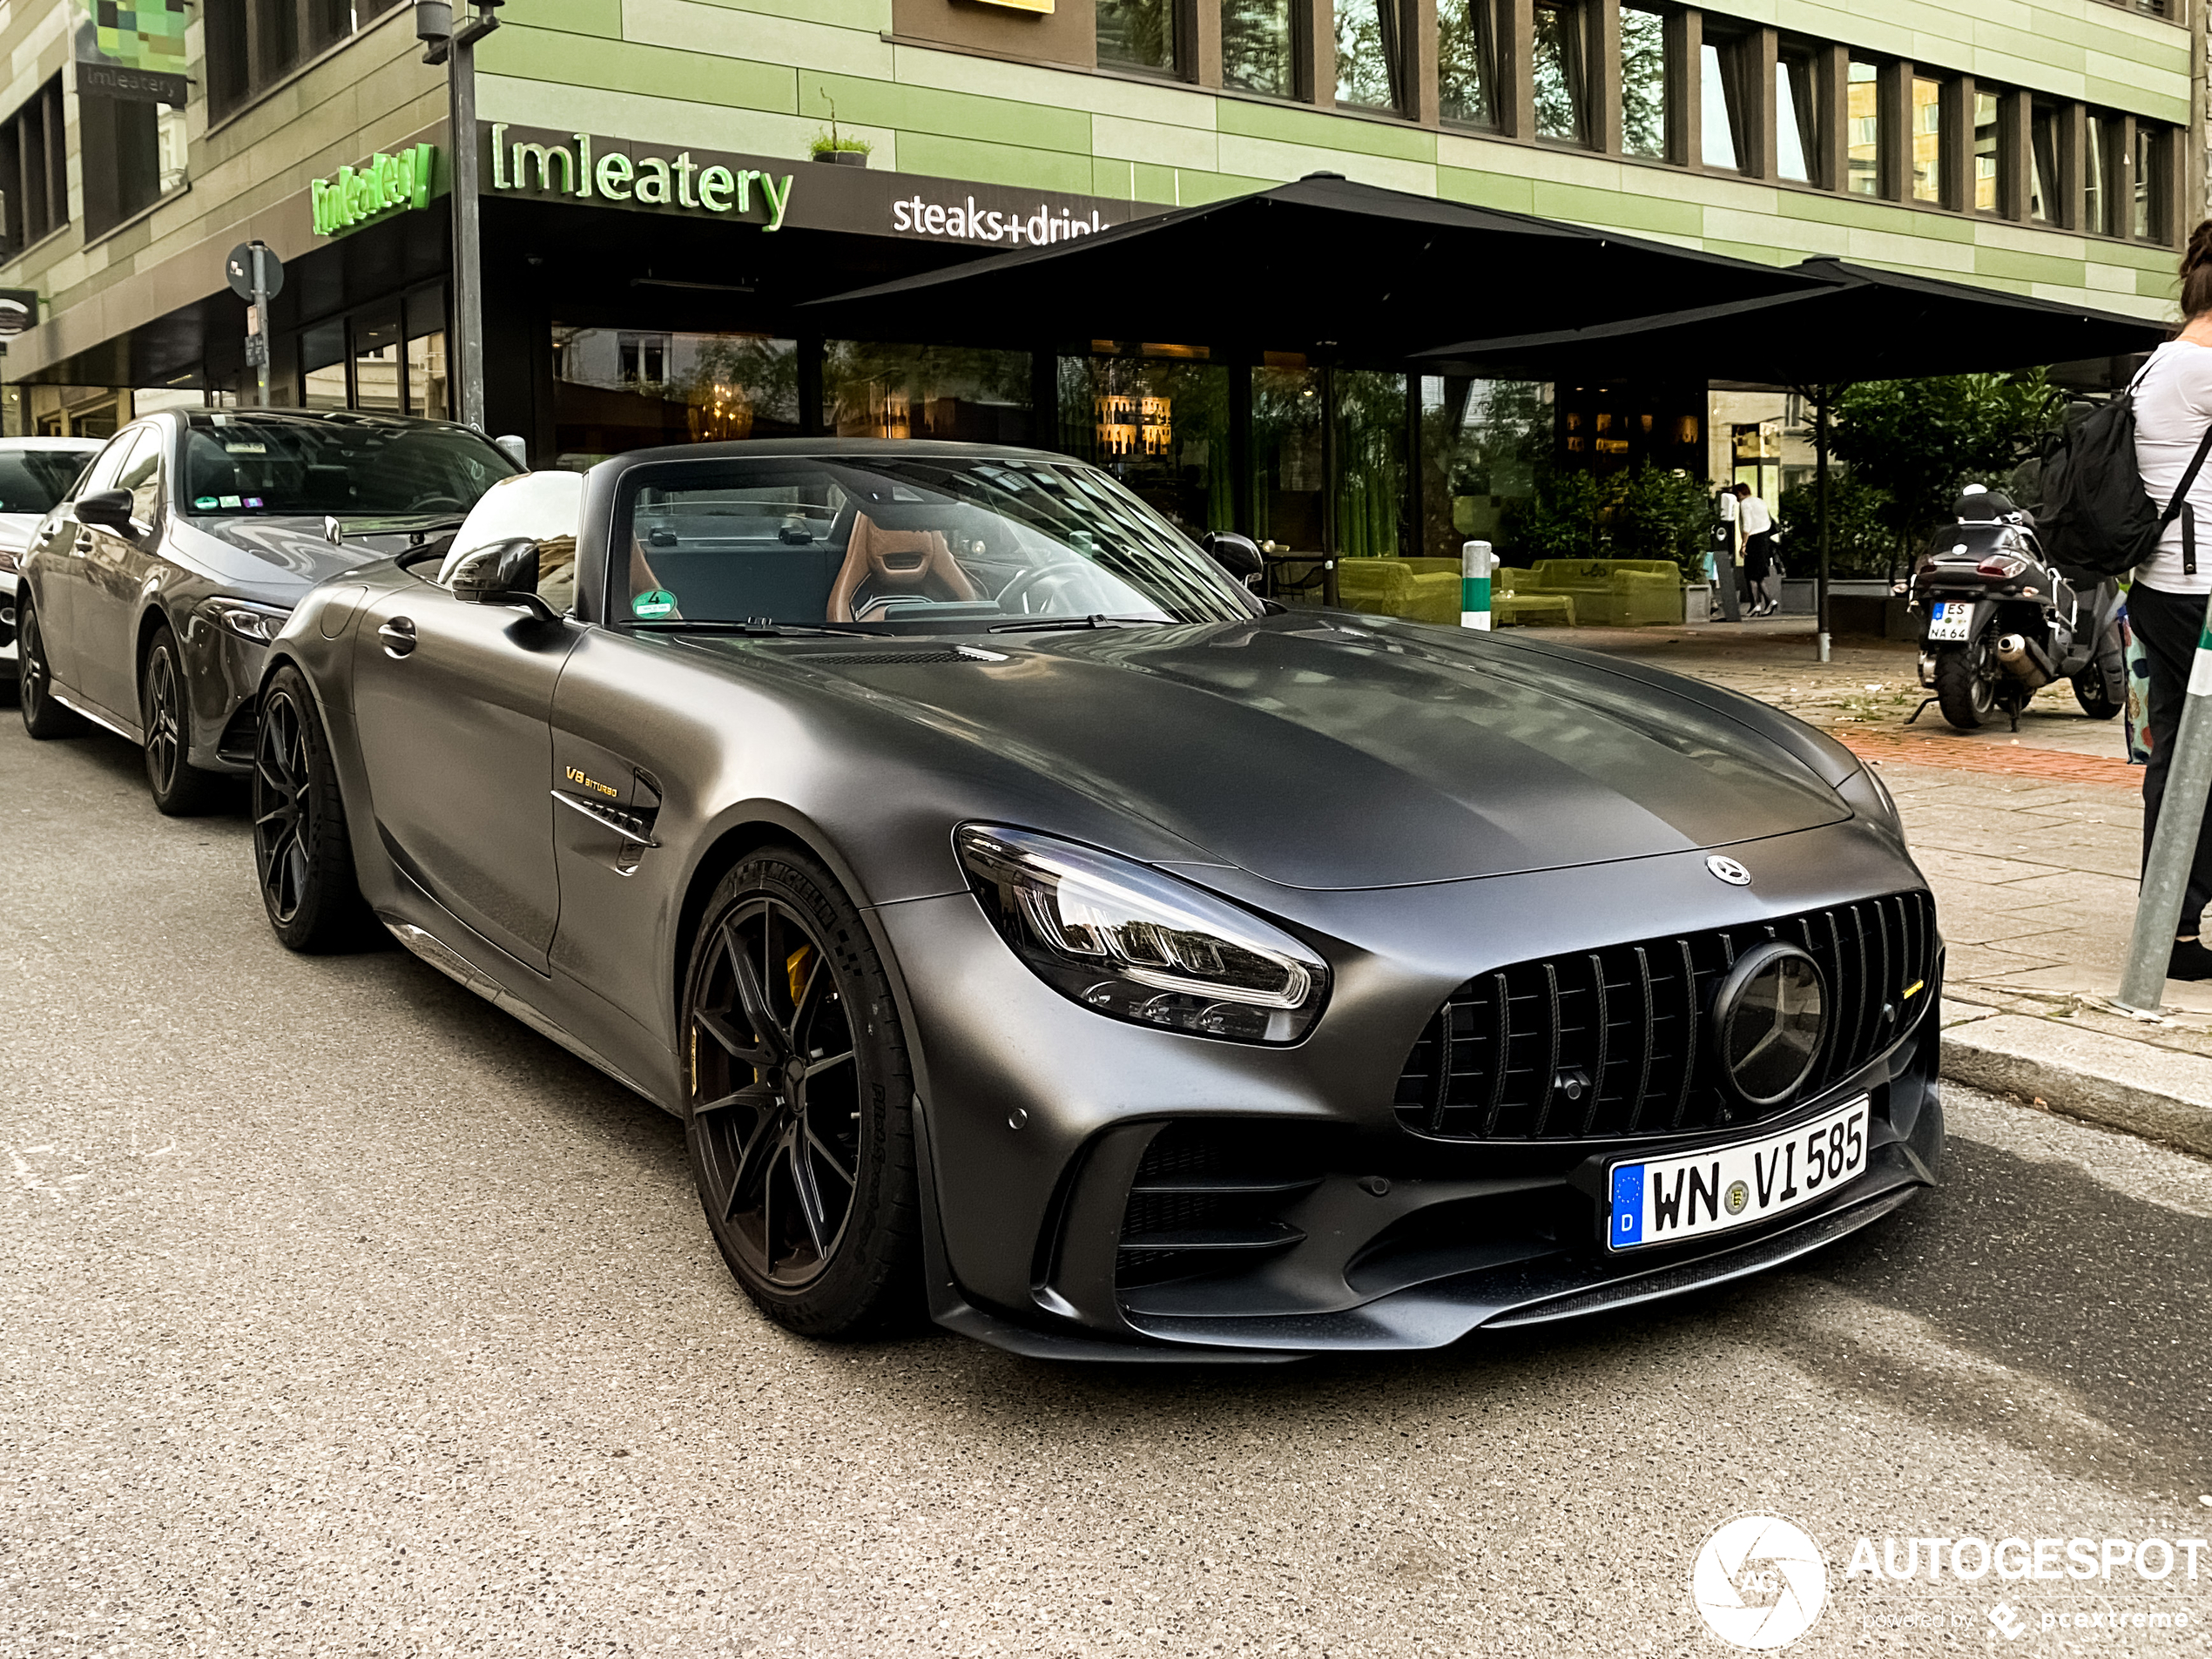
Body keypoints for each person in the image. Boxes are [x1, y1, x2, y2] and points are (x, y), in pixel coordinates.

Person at [2128, 219, 2212, 980]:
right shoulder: (2204, 370)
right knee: (2196, 757)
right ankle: (2176, 919)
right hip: (2202, 596)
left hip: (2161, 589)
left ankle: (2173, 929)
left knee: (2181, 755)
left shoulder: (2158, 363)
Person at [1735, 483, 1777, 617]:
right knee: (1759, 574)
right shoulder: (1760, 501)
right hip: (1764, 539)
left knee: (1751, 574)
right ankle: (1766, 602)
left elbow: (1747, 524)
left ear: (1740, 493)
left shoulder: (1745, 504)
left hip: (1753, 540)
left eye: (1736, 494)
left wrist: (1743, 544)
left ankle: (1757, 604)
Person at [1712, 483, 1742, 622]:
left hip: (1720, 550)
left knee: (1715, 577)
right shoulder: (1723, 520)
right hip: (1721, 550)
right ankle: (1716, 603)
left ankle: (1716, 603)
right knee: (1715, 576)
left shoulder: (1721, 519)